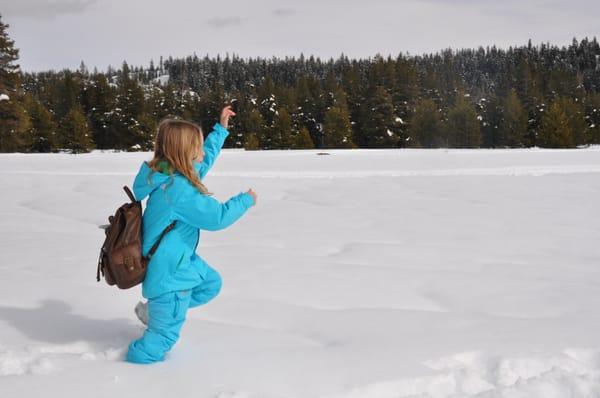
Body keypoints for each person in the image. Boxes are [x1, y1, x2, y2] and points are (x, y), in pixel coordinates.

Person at [126, 105, 257, 364]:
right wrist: (245, 200)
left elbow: (204, 159)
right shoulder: (179, 190)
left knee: (210, 283)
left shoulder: (170, 175)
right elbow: (217, 217)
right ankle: (133, 368)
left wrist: (221, 129)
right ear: (184, 153)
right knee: (162, 339)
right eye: (196, 146)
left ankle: (156, 313)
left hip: (176, 262)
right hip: (171, 278)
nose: (200, 151)